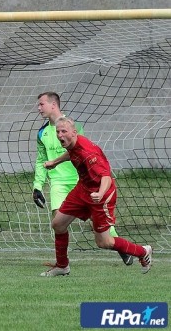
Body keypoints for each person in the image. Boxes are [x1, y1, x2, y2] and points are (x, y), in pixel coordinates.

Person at [40, 116, 152, 276]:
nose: (60, 135)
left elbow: (106, 176)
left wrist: (99, 194)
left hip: (101, 194)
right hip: (83, 190)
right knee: (58, 224)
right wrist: (55, 162)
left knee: (104, 242)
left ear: (74, 132)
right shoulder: (73, 142)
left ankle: (142, 251)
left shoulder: (88, 153)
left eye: (63, 131)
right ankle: (62, 266)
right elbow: (71, 153)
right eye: (58, 132)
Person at [33, 92, 133, 266]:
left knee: (99, 223)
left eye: (41, 104)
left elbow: (81, 151)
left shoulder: (73, 126)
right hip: (58, 183)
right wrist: (37, 185)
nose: (38, 108)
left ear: (53, 105)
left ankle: (122, 249)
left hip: (80, 181)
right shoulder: (42, 133)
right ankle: (62, 263)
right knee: (58, 222)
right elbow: (41, 160)